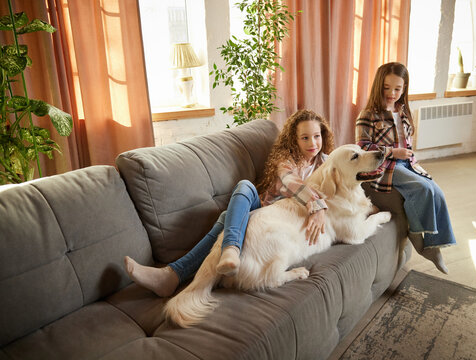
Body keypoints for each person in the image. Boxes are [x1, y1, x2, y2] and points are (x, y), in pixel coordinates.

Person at [124, 109, 335, 296]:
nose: (312, 143)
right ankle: (231, 249)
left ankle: (172, 275)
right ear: (294, 140)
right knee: (244, 186)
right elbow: (291, 183)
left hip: (283, 226)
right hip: (263, 212)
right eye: (305, 138)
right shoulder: (286, 162)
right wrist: (317, 205)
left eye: (317, 136)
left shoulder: (327, 163)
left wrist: (322, 207)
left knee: (227, 218)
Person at [355, 62, 456, 274]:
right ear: (378, 86)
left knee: (437, 191)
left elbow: (407, 142)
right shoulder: (368, 114)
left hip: (407, 163)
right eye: (386, 87)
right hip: (383, 165)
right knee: (422, 189)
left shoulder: (403, 111)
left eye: (398, 89)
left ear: (405, 88)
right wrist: (392, 152)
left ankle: (435, 245)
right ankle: (419, 238)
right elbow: (363, 147)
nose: (392, 93)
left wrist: (408, 156)